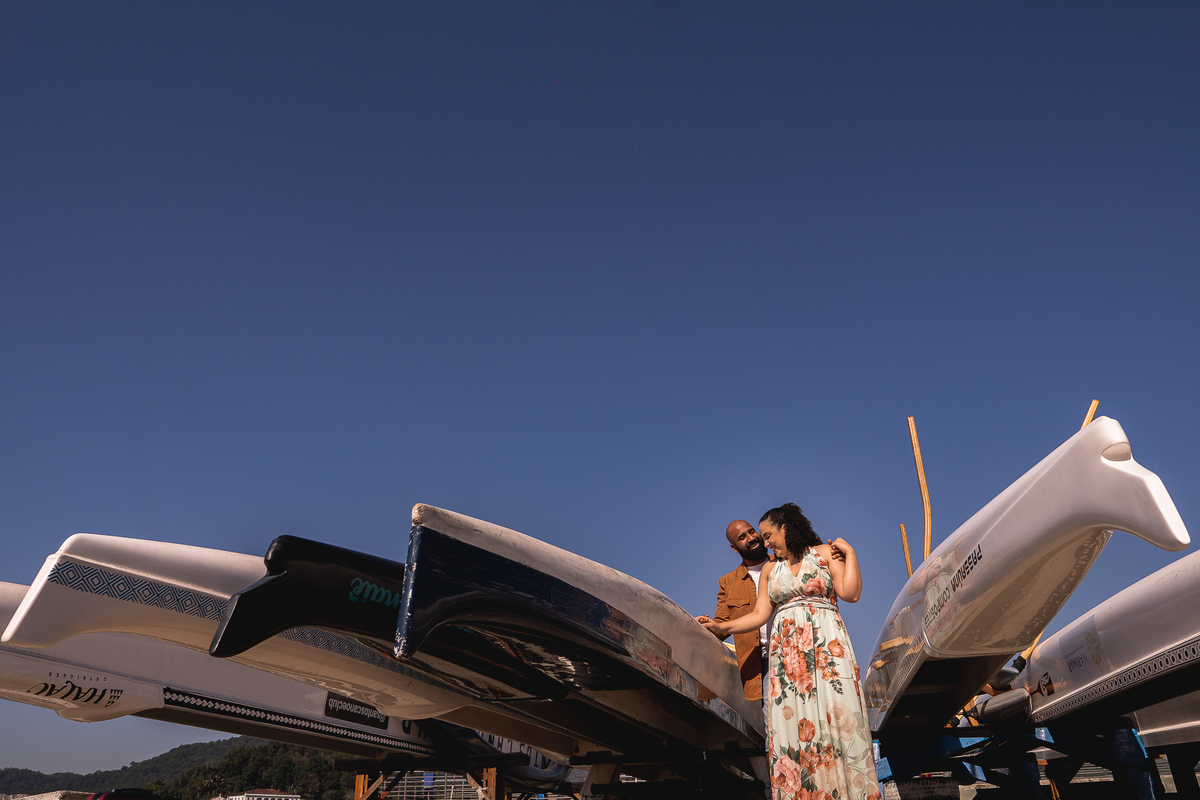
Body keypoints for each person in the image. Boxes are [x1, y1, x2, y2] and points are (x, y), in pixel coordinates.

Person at [697, 503, 880, 800]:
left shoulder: (823, 552)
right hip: (788, 660)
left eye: (768, 535)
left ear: (785, 528)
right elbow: (759, 615)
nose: (766, 542)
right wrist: (721, 628)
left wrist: (850, 554)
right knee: (794, 725)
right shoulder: (771, 569)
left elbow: (851, 593)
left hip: (825, 649)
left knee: (836, 717)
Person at [711, 519, 773, 702]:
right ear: (734, 547)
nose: (751, 538)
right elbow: (722, 625)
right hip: (762, 663)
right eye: (742, 537)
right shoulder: (728, 582)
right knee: (776, 726)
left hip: (795, 650)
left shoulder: (786, 563)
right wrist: (706, 626)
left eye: (752, 531)